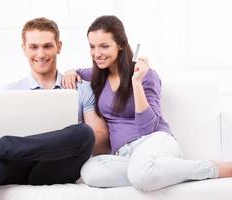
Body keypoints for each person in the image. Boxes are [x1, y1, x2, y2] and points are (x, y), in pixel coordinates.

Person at [0, 17, 110, 200]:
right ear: (24, 48)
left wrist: (63, 138)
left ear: (59, 47)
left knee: (85, 133)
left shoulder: (80, 88)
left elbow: (100, 142)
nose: (41, 54)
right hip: (16, 165)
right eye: (33, 47)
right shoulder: (9, 93)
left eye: (47, 46)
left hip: (56, 166)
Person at [62, 15, 232, 192]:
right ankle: (159, 171)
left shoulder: (147, 76)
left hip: (154, 141)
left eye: (104, 46)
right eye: (92, 46)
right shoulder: (96, 75)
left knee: (141, 176)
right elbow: (75, 72)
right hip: (124, 155)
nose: (97, 53)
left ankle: (213, 168)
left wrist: (136, 82)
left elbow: (148, 127)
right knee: (90, 172)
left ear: (120, 44)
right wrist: (69, 72)